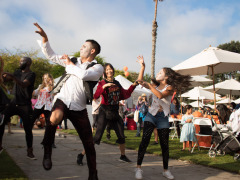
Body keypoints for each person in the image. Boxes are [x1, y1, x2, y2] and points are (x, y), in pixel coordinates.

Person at [34, 23, 103, 179]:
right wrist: (45, 39)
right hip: (62, 100)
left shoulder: (97, 67)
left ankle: (93, 174)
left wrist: (70, 64)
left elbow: (84, 76)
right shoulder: (72, 59)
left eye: (84, 46)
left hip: (79, 108)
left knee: (89, 144)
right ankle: (47, 151)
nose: (81, 47)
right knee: (54, 117)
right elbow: (51, 55)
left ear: (92, 51)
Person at [135, 65, 191, 180]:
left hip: (163, 117)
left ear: (167, 76)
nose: (158, 73)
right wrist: (142, 67)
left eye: (161, 72)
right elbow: (139, 81)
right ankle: (138, 168)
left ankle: (166, 170)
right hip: (151, 115)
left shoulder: (170, 87)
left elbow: (160, 95)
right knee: (144, 140)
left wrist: (150, 86)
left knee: (164, 145)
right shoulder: (155, 85)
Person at [93, 58, 144, 162]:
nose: (109, 71)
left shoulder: (117, 83)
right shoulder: (101, 83)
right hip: (104, 111)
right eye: (107, 70)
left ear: (113, 70)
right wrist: (104, 87)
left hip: (115, 112)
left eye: (110, 69)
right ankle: (82, 154)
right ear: (104, 72)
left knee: (121, 135)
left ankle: (122, 155)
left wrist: (134, 84)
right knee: (97, 136)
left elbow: (124, 94)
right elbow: (95, 96)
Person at [0, 56, 36, 159]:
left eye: (22, 61)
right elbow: (6, 80)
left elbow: (24, 84)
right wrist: (3, 75)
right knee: (1, 123)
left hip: (25, 105)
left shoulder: (31, 74)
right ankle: (0, 146)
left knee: (28, 130)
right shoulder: (17, 72)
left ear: (28, 63)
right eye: (20, 61)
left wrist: (12, 76)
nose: (20, 62)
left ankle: (30, 151)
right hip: (13, 103)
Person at [32, 73, 56, 147]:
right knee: (31, 119)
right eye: (44, 78)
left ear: (50, 79)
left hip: (48, 106)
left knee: (50, 124)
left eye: (47, 78)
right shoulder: (40, 86)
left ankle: (51, 142)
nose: (45, 80)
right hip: (39, 105)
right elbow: (34, 93)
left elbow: (53, 96)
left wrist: (51, 85)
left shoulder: (53, 87)